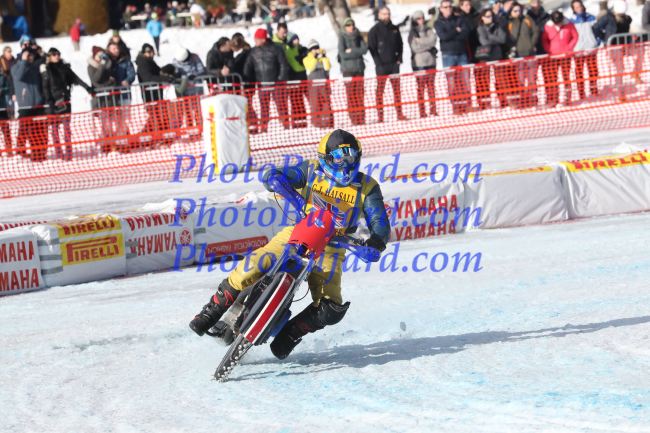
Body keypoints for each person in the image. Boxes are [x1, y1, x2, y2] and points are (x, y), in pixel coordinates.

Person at [189, 129, 391, 360]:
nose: (345, 163)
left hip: (333, 247)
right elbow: (274, 175)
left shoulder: (367, 186)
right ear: (325, 157)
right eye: (338, 157)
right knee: (254, 264)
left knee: (331, 308)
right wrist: (276, 181)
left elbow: (379, 221)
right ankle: (212, 310)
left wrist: (376, 243)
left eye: (350, 156)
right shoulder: (311, 170)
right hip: (299, 231)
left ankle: (291, 333)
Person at [42, 47, 93, 160]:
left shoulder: (64, 68)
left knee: (66, 129)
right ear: (49, 57)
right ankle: (59, 153)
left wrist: (87, 88)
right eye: (54, 54)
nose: (57, 56)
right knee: (54, 130)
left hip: (65, 102)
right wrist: (49, 101)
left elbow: (76, 79)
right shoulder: (47, 70)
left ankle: (68, 153)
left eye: (58, 54)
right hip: (53, 104)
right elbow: (45, 87)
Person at [243, 28, 290, 133]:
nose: (255, 41)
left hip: (276, 84)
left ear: (263, 39)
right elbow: (248, 66)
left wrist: (280, 79)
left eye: (257, 39)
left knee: (281, 106)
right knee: (264, 108)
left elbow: (283, 65)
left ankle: (286, 126)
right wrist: (246, 79)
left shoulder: (276, 48)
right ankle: (264, 128)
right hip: (262, 84)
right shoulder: (253, 51)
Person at [368, 6, 406, 122]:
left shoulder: (394, 29)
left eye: (388, 14)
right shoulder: (374, 30)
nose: (386, 16)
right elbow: (372, 48)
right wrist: (378, 63)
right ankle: (380, 116)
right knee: (380, 91)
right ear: (379, 15)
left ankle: (399, 113)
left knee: (397, 90)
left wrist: (399, 59)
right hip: (381, 66)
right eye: (384, 14)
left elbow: (400, 45)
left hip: (394, 65)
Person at [435, 0, 471, 114]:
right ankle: (456, 106)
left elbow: (465, 33)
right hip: (448, 54)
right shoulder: (438, 23)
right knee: (452, 82)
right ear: (441, 9)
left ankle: (467, 104)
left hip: (461, 53)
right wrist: (456, 30)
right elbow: (444, 36)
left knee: (465, 80)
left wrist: (453, 34)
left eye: (450, 6)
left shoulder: (459, 19)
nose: (448, 9)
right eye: (445, 7)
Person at [11, 48, 47, 161]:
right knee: (25, 131)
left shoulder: (34, 67)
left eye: (31, 55)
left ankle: (40, 154)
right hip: (25, 105)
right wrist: (23, 61)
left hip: (38, 104)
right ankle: (21, 152)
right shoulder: (16, 67)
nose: (30, 57)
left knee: (39, 132)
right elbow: (18, 77)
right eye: (28, 55)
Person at [135, 43, 173, 145]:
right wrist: (164, 79)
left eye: (152, 51)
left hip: (156, 94)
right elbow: (148, 78)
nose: (151, 54)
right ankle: (151, 138)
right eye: (148, 52)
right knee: (156, 117)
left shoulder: (150, 62)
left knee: (157, 117)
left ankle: (156, 137)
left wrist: (167, 69)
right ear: (143, 53)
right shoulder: (143, 63)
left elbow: (158, 72)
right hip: (150, 95)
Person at [504, 3, 539, 108]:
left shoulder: (527, 19)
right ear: (511, 12)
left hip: (529, 53)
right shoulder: (509, 23)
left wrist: (531, 44)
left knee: (532, 78)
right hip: (517, 54)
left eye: (519, 10)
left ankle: (533, 100)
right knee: (521, 79)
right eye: (515, 11)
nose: (518, 13)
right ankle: (523, 100)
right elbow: (508, 37)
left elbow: (535, 31)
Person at [542, 10, 578, 106]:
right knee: (553, 78)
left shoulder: (569, 25)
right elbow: (544, 40)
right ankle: (553, 98)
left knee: (566, 77)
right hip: (553, 56)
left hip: (566, 55)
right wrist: (548, 49)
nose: (558, 23)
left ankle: (567, 98)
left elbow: (575, 36)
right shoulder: (548, 27)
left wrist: (569, 47)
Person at [408, 10, 438, 118]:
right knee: (421, 88)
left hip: (431, 61)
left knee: (431, 87)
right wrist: (427, 44)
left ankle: (433, 109)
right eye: (418, 18)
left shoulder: (429, 29)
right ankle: (422, 110)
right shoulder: (412, 32)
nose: (421, 20)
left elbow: (433, 40)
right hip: (419, 63)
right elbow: (415, 48)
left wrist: (420, 41)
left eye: (422, 18)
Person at [338, 17, 367, 125]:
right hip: (347, 71)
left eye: (352, 25)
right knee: (351, 95)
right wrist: (356, 52)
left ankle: (361, 118)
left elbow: (364, 50)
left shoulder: (358, 36)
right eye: (348, 25)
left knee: (360, 94)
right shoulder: (342, 37)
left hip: (359, 69)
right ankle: (354, 118)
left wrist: (352, 51)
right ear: (345, 27)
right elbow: (343, 54)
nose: (351, 27)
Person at [475, 8, 506, 110]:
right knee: (484, 80)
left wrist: (490, 36)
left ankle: (503, 100)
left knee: (500, 79)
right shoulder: (480, 28)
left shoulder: (497, 26)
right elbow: (484, 41)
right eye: (487, 16)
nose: (490, 18)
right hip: (485, 56)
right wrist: (494, 38)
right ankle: (485, 103)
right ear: (482, 18)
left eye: (491, 16)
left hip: (497, 55)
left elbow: (502, 39)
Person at [570, 0, 599, 100]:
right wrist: (573, 47)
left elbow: (597, 31)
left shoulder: (591, 17)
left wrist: (597, 41)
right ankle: (581, 93)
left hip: (591, 48)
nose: (579, 8)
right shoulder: (571, 21)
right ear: (573, 9)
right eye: (576, 7)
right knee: (579, 72)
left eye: (580, 6)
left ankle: (594, 90)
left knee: (593, 71)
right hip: (578, 50)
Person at [303, 39, 333, 128]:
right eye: (313, 48)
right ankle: (317, 124)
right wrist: (315, 58)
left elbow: (327, 67)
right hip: (313, 86)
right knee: (315, 104)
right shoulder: (306, 59)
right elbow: (310, 67)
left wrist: (324, 57)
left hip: (323, 84)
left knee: (326, 104)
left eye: (317, 48)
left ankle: (327, 122)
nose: (316, 50)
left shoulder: (322, 58)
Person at [0, 53, 14, 157]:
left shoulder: (3, 76)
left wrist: (1, 90)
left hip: (2, 107)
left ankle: (9, 149)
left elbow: (8, 88)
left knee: (5, 129)